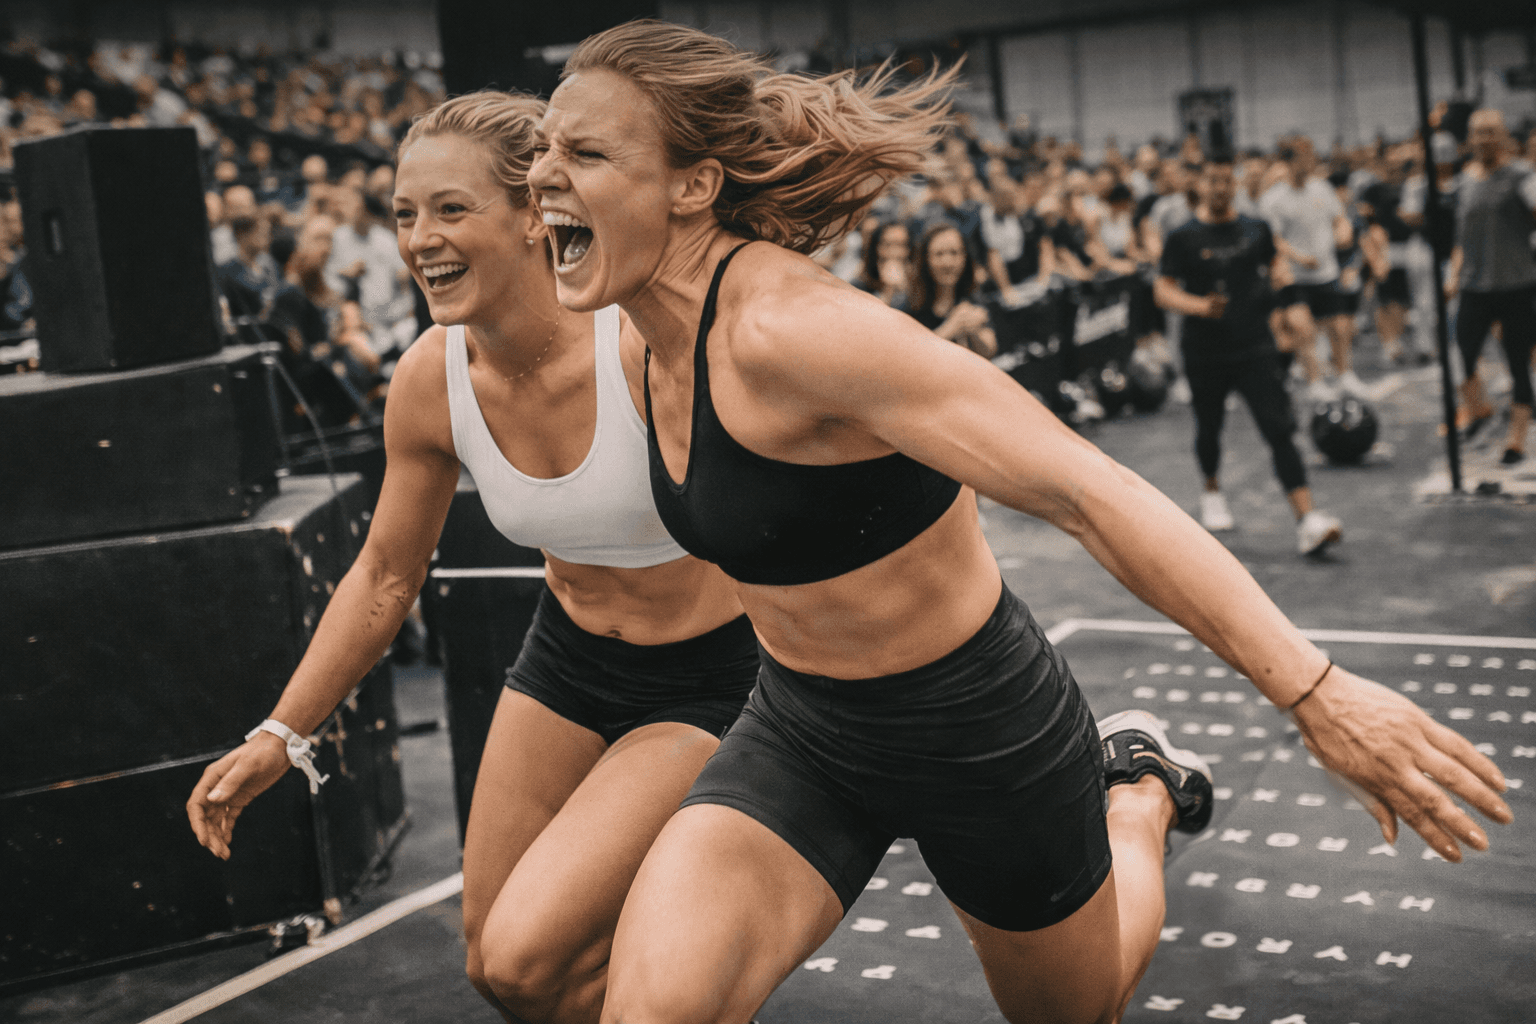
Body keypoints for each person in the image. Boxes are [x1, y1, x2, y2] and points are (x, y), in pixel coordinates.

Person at [528, 22, 1512, 1024]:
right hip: (803, 729)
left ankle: (1138, 793)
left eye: (585, 152)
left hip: (975, 729)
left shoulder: (803, 335)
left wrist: (1317, 692)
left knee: (1075, 1011)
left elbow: (1089, 491)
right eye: (542, 149)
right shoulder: (633, 348)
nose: (544, 176)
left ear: (693, 185)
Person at [186, 90, 759, 1024]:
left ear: (537, 214)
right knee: (500, 968)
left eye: (452, 210)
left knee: (533, 955)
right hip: (569, 661)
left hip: (714, 677)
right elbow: (383, 575)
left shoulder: (643, 348)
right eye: (405, 214)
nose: (420, 240)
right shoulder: (427, 379)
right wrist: (281, 737)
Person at [1156, 156, 1344, 551]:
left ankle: (1308, 519)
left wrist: (1292, 309)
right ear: (1201, 186)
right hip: (1205, 350)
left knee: (1279, 429)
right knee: (1209, 427)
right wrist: (1199, 306)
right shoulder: (1183, 237)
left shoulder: (1256, 229)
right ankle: (1211, 491)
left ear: (1235, 184)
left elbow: (1278, 271)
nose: (1220, 187)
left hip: (1255, 346)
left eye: (1227, 180)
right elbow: (1163, 290)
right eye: (1213, 181)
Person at [1444, 108, 1536, 465]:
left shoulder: (1522, 175)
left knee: (1517, 364)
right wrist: (1453, 274)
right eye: (1478, 132)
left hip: (1517, 285)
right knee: (1461, 357)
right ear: (1469, 139)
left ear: (1503, 136)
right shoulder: (1464, 181)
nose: (1484, 139)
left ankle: (1516, 440)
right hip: (1474, 286)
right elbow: (1461, 238)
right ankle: (1479, 411)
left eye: (1490, 132)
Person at [1260, 138, 1357, 395]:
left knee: (1338, 327)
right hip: (1296, 276)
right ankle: (1315, 381)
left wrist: (1343, 233)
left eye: (1311, 157)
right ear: (1290, 162)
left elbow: (1340, 219)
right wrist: (1299, 257)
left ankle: (1344, 374)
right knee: (1303, 329)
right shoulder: (1274, 199)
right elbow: (1274, 239)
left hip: (1326, 271)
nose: (1309, 162)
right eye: (1303, 157)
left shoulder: (1322, 189)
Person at [899, 222, 996, 356]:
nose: (947, 263)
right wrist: (952, 326)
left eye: (954, 253)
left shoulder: (972, 296)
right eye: (939, 254)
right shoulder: (908, 305)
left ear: (965, 257)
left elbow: (990, 351)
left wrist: (973, 331)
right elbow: (910, 357)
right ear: (926, 259)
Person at [850, 220, 910, 306]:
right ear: (875, 248)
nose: (894, 252)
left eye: (901, 245)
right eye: (887, 244)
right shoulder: (858, 286)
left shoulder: (919, 288)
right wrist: (889, 290)